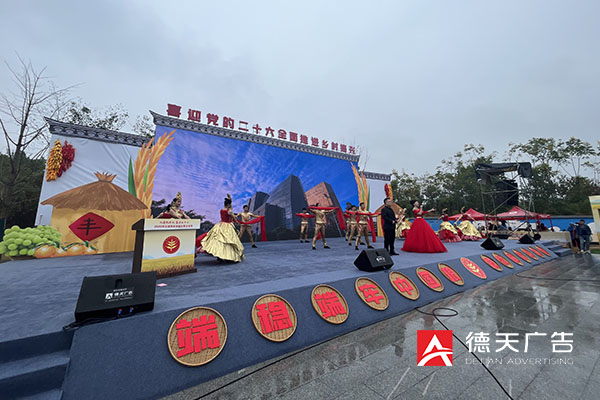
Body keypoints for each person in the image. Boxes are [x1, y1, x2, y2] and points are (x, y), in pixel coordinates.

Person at [201, 194, 245, 262]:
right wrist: (239, 223)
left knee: (220, 242)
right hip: (228, 226)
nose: (231, 206)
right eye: (230, 204)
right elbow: (234, 219)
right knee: (228, 241)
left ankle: (219, 257)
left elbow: (229, 211)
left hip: (220, 225)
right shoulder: (229, 211)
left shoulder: (221, 210)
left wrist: (230, 199)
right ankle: (229, 257)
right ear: (228, 204)